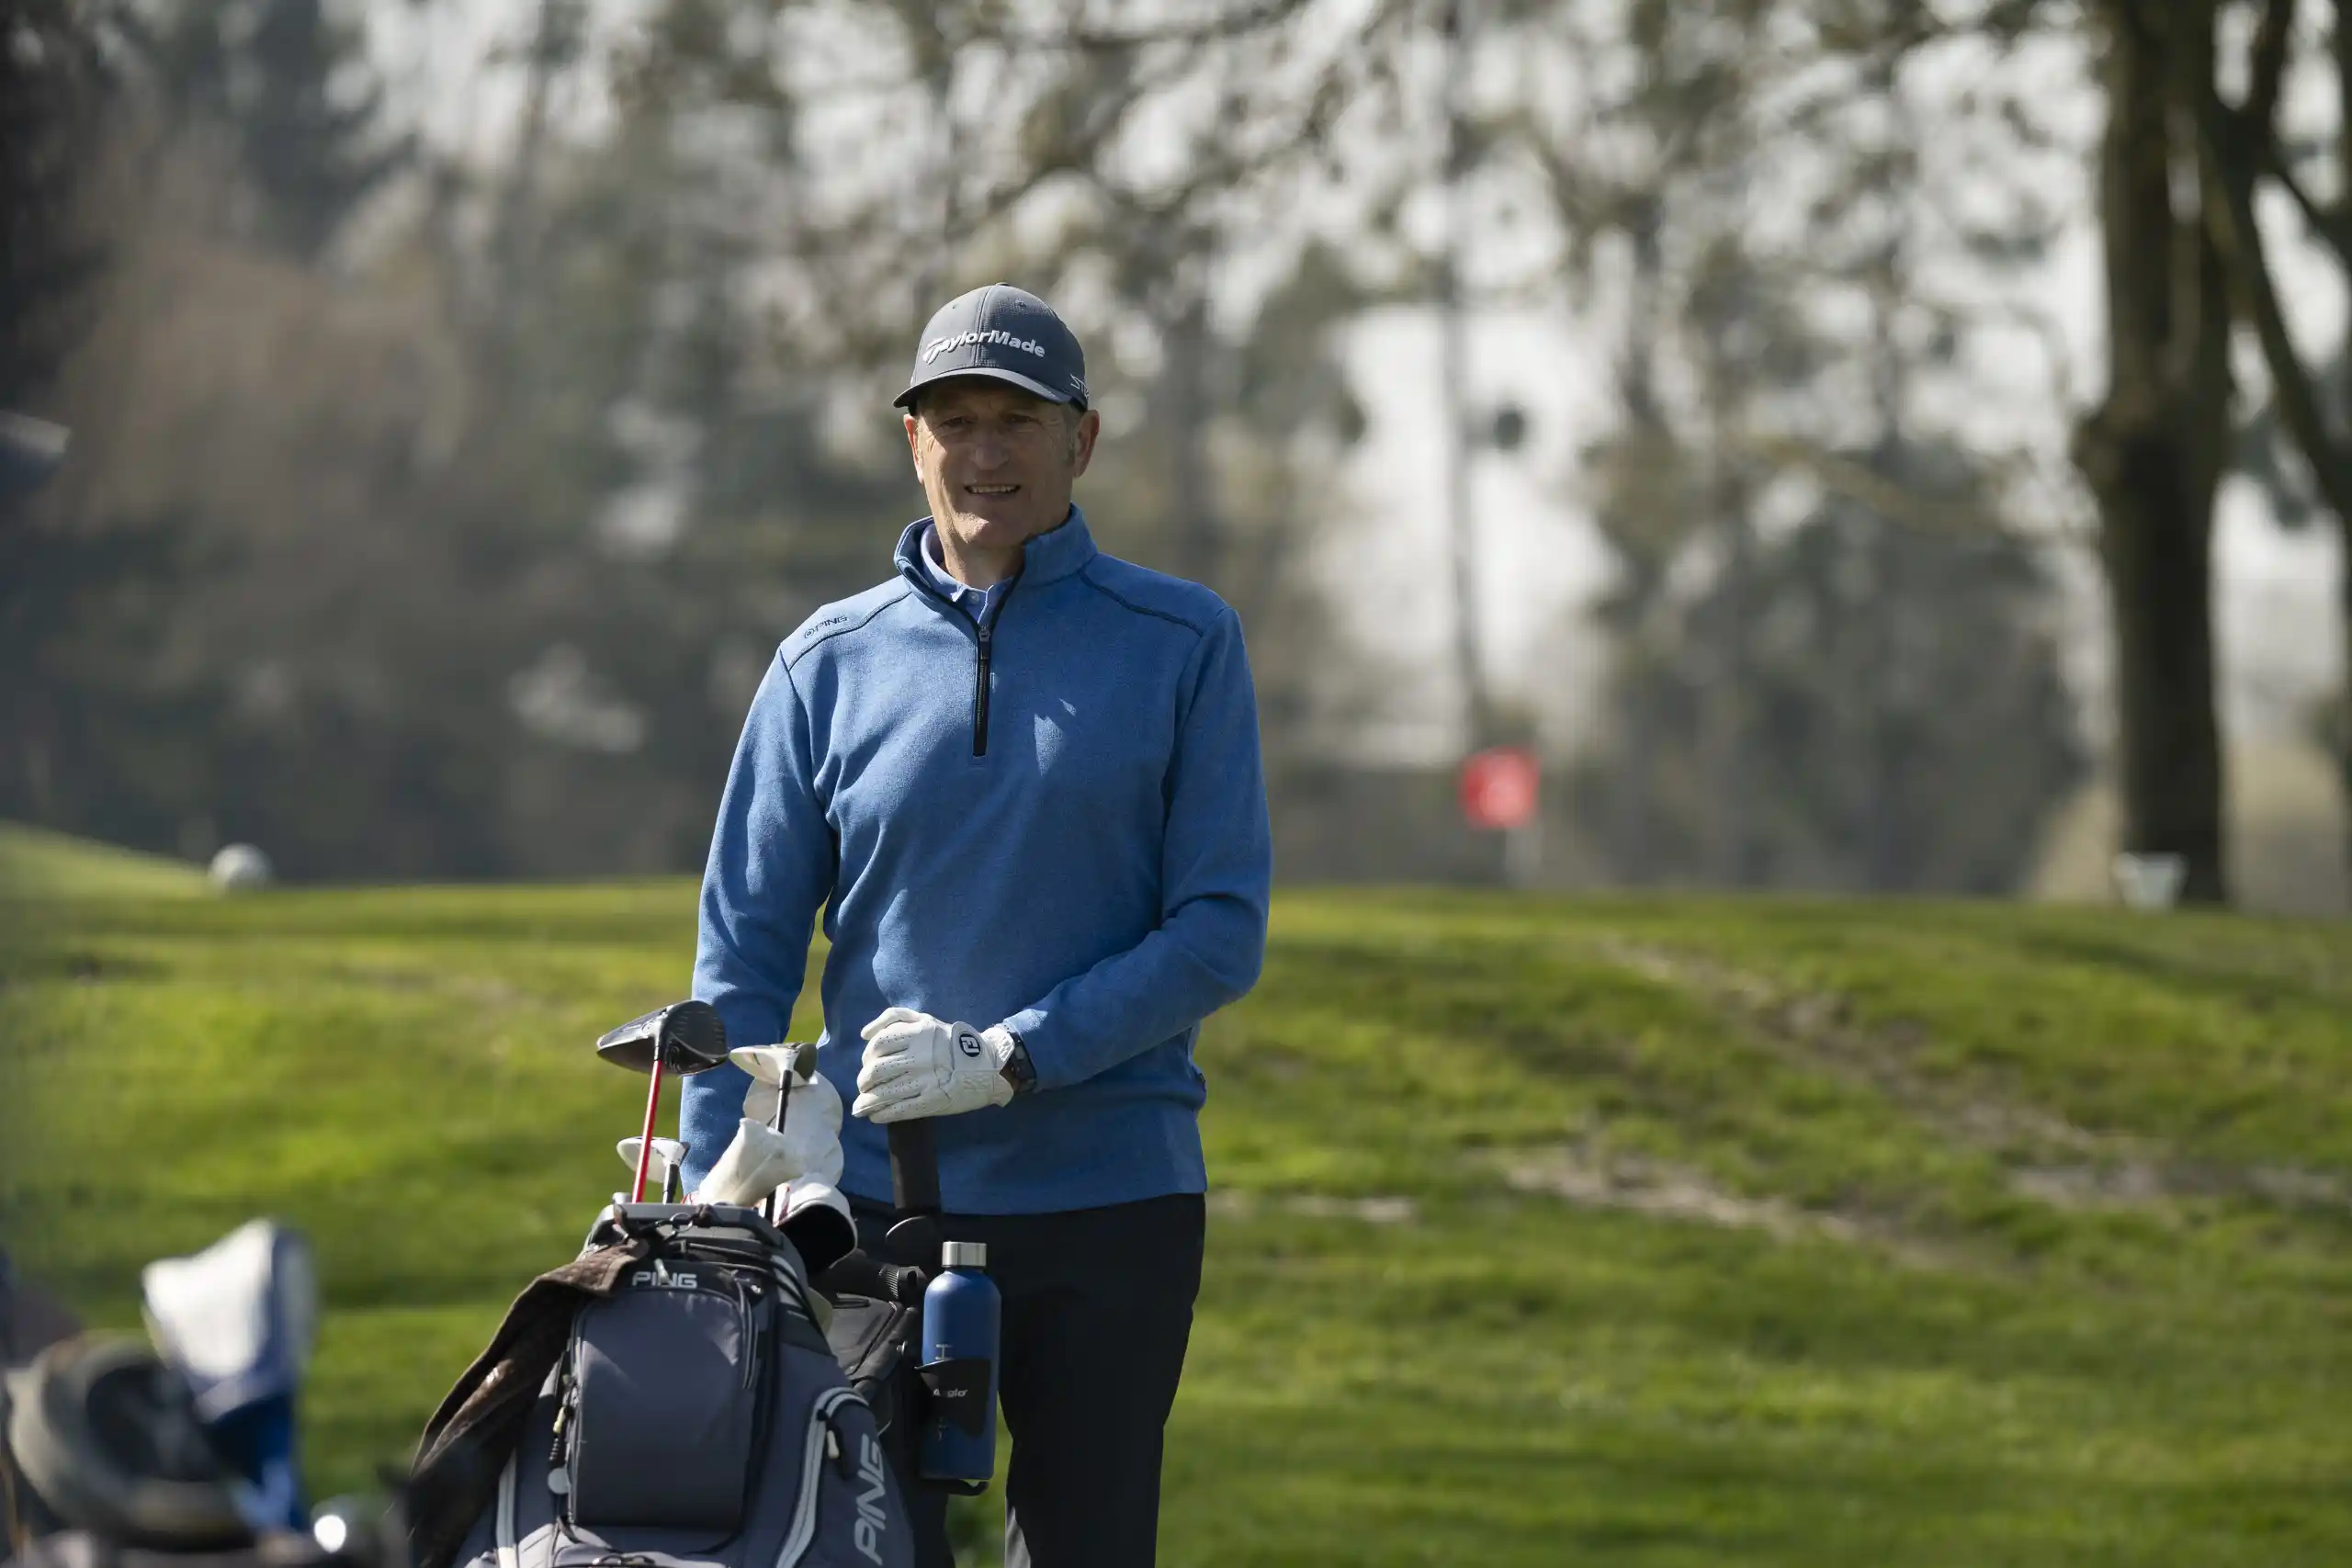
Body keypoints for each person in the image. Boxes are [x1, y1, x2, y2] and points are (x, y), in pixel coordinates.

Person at [680, 283, 1272, 1568]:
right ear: (914, 442)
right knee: (853, 1548)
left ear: (1082, 440)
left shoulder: (1182, 643)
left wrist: (1013, 1055)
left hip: (1113, 1203)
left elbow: (1219, 927)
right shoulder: (825, 663)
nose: (985, 452)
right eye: (954, 421)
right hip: (873, 1213)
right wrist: (711, 1193)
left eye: (1018, 421)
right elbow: (744, 955)